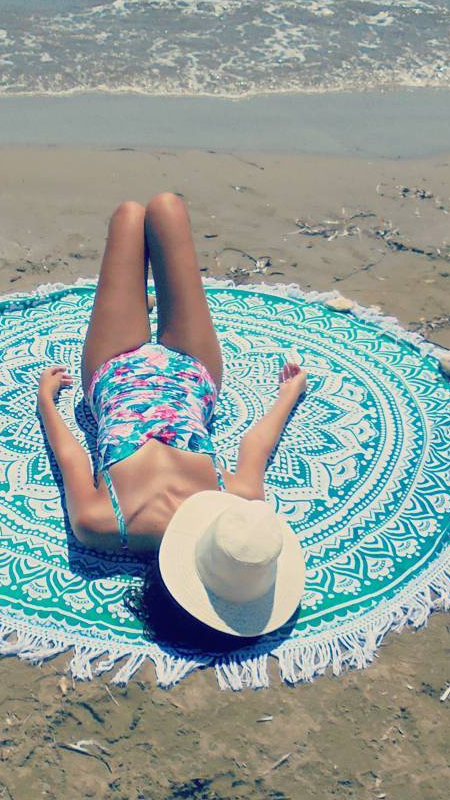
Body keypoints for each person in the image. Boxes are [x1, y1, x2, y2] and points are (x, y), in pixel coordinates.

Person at [36, 193, 308, 556]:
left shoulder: (103, 525)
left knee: (131, 216)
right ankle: (141, 307)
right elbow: (256, 446)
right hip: (189, 371)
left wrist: (45, 402)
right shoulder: (230, 517)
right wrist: (288, 395)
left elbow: (69, 456)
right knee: (165, 208)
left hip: (117, 370)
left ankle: (139, 307)